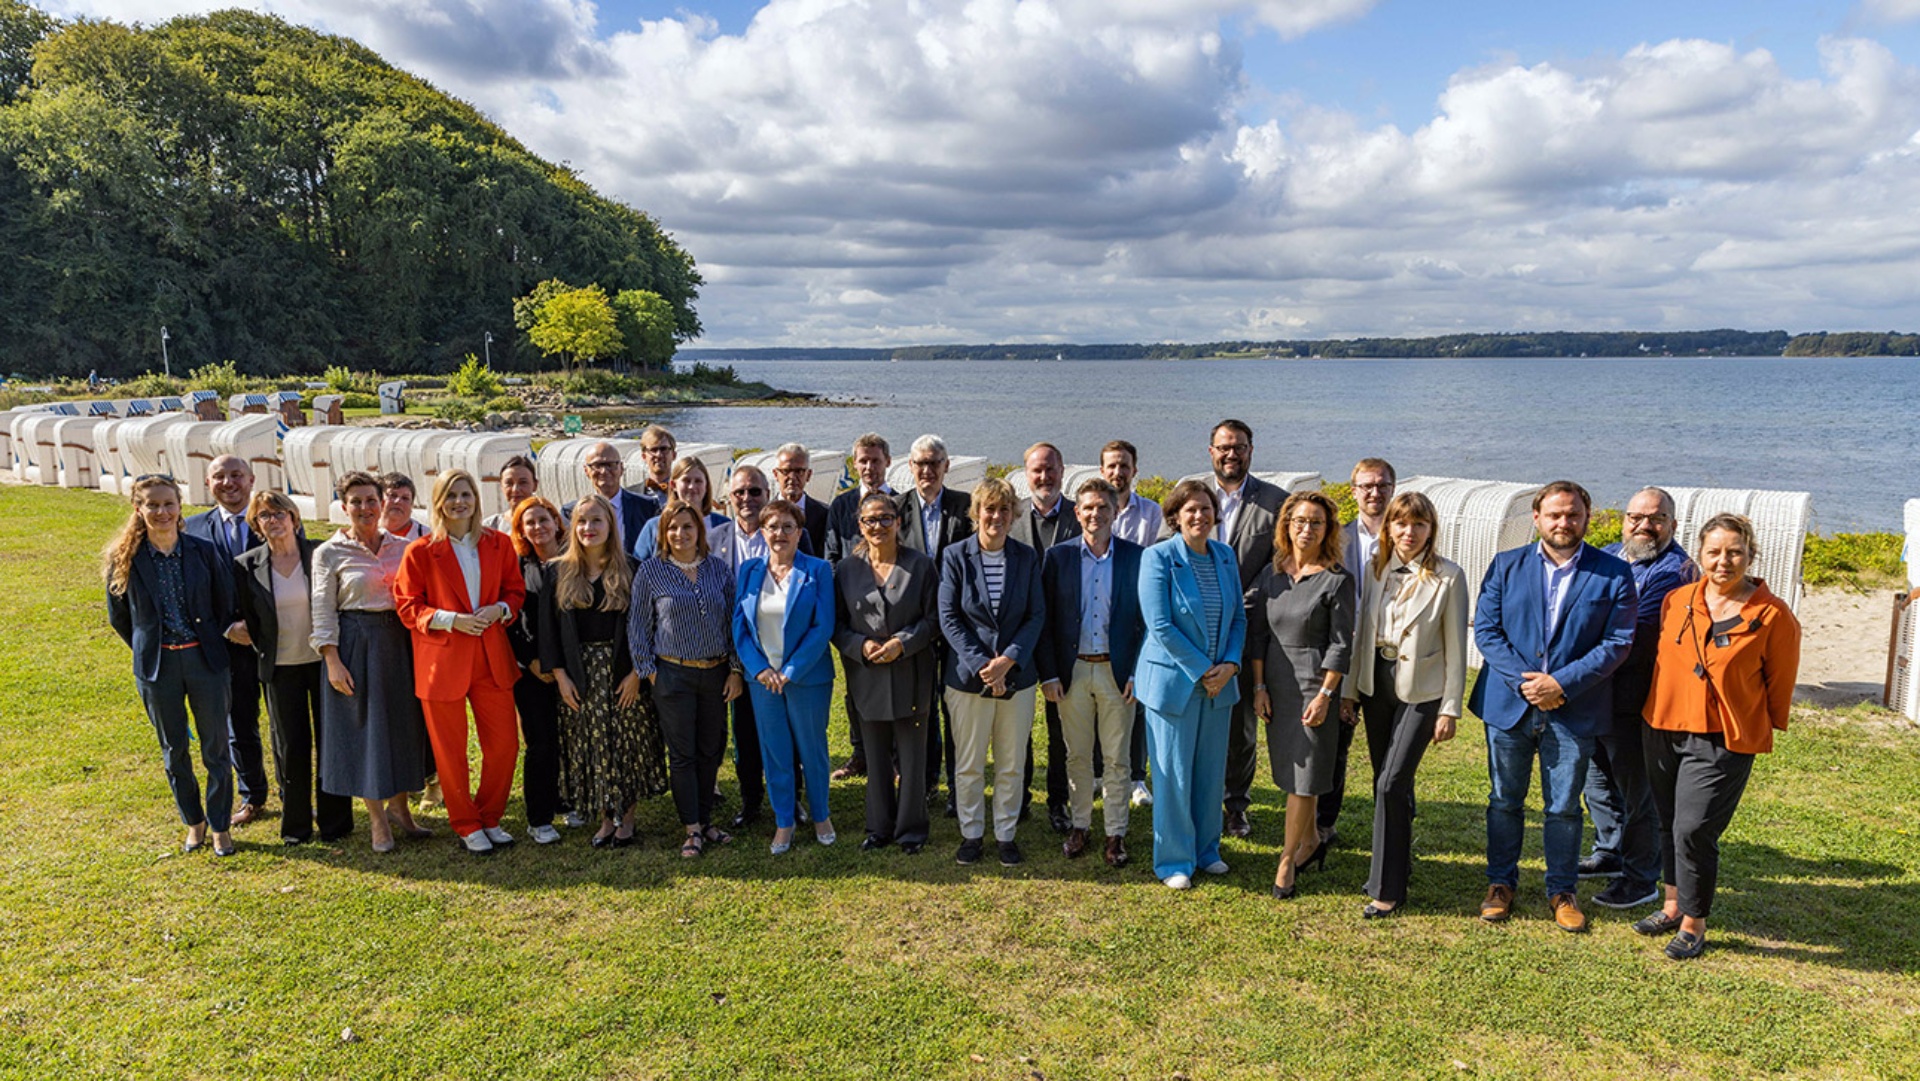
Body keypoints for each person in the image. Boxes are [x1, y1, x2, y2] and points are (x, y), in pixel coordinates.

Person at [1470, 480, 1638, 932]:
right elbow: (1487, 631)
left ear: (1587, 518)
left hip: (1574, 707)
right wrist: (1528, 685)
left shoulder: (1612, 572)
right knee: (1504, 800)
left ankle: (1562, 890)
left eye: (1573, 515)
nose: (1564, 522)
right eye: (1555, 514)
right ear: (1537, 517)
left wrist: (1560, 683)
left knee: (1563, 806)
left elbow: (1618, 641)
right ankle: (1500, 884)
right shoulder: (1506, 565)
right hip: (1510, 705)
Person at [1637, 513, 1799, 959]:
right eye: (1714, 552)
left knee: (1695, 829)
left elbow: (1779, 683)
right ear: (1700, 554)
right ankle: (1671, 904)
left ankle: (1694, 922)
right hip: (1663, 725)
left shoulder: (1772, 615)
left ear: (1750, 555)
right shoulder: (1677, 600)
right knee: (1668, 820)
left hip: (1723, 737)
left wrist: (1756, 724)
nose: (1723, 561)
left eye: (1734, 552)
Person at [1343, 491, 1468, 918]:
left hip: (1423, 690)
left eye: (1418, 524)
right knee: (1387, 780)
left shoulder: (1449, 576)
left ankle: (1386, 886)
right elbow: (1362, 632)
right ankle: (1399, 864)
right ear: (1388, 527)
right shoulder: (1374, 569)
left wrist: (1450, 707)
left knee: (1391, 783)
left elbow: (1456, 647)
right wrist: (1349, 691)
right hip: (1376, 682)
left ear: (1431, 530)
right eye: (1400, 523)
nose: (1408, 532)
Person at [394, 469, 526, 854]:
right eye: (451, 495)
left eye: (466, 494)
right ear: (438, 502)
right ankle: (466, 822)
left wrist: (500, 609)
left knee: (504, 746)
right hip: (442, 662)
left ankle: (489, 815)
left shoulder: (500, 545)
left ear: (476, 498)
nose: (459, 502)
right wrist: (452, 620)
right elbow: (407, 606)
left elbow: (515, 592)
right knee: (450, 752)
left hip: (491, 658)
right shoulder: (419, 551)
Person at [104, 474, 237, 856]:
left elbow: (224, 602)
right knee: (174, 748)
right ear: (139, 509)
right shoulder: (125, 558)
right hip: (157, 667)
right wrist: (150, 646)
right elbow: (120, 618)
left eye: (168, 504)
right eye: (152, 505)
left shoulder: (202, 551)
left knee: (215, 748)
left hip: (205, 661)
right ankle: (193, 823)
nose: (161, 511)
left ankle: (220, 826)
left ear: (179, 506)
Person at [1584, 487, 1698, 910]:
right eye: (1636, 517)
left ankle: (1640, 877)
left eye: (1656, 518)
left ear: (1672, 523)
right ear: (1623, 518)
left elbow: (1636, 634)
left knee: (1638, 791)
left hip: (1637, 699)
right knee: (1597, 779)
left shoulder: (1675, 572)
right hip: (1596, 694)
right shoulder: (1611, 554)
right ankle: (1610, 853)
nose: (1644, 526)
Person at [1134, 479, 1245, 889]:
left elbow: (1239, 618)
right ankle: (1173, 860)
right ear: (1175, 517)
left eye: (1205, 508)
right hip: (1175, 685)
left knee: (1209, 773)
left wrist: (1230, 665)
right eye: (1190, 509)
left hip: (1220, 685)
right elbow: (1160, 625)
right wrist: (1204, 670)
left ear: (1216, 514)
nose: (1199, 516)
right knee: (1174, 774)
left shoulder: (1225, 556)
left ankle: (1206, 850)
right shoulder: (1158, 558)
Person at [312, 471, 429, 853]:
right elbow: (323, 610)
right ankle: (378, 820)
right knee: (366, 732)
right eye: (356, 501)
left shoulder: (405, 546)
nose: (365, 508)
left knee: (401, 726)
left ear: (383, 503)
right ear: (344, 507)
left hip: (400, 642)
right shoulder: (329, 552)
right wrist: (332, 660)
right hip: (355, 644)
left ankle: (401, 810)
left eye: (371, 500)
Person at [544, 494, 668, 849]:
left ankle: (626, 818)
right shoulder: (558, 571)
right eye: (582, 521)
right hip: (579, 674)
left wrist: (636, 673)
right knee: (593, 745)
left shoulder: (631, 567)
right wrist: (561, 676)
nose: (589, 528)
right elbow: (550, 631)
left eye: (597, 520)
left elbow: (646, 625)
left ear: (610, 525)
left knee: (625, 743)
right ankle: (604, 818)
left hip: (622, 671)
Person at [1247, 491, 1354, 900]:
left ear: (1328, 530)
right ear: (1286, 526)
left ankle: (1287, 860)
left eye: (1316, 522)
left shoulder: (1338, 579)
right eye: (1299, 521)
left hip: (1315, 686)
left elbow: (1340, 645)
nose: (1306, 529)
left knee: (1304, 781)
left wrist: (1327, 694)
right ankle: (1311, 841)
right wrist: (1259, 687)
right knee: (1291, 774)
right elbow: (1258, 634)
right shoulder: (1271, 574)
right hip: (1276, 683)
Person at [233, 490, 352, 846]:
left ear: (294, 518)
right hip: (280, 667)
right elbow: (248, 617)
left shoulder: (318, 553)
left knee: (330, 743)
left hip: (323, 663)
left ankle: (336, 823)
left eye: (280, 513)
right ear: (256, 524)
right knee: (291, 746)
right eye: (265, 515)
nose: (274, 520)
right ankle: (297, 826)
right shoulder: (246, 565)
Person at [939, 477, 1046, 867]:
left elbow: (1036, 615)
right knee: (967, 764)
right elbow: (948, 617)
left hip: (1016, 679)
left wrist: (1008, 661)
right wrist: (984, 666)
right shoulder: (955, 556)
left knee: (1011, 762)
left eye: (1004, 509)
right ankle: (971, 833)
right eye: (989, 508)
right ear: (976, 513)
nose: (996, 516)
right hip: (968, 680)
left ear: (1014, 514)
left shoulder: (1026, 557)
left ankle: (1005, 834)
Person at [1038, 477, 1145, 867]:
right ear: (1076, 512)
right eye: (1088, 507)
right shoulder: (1058, 557)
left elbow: (1145, 622)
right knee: (1077, 755)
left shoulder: (1136, 556)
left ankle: (1116, 833)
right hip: (1073, 672)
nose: (1095, 514)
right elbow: (1044, 621)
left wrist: (1137, 672)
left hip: (1119, 674)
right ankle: (1080, 824)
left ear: (1116, 511)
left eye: (1103, 507)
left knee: (1118, 759)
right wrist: (1049, 674)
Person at [630, 500, 746, 858]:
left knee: (710, 750)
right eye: (673, 528)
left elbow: (733, 622)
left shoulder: (718, 570)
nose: (680, 534)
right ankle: (691, 828)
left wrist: (736, 670)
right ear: (663, 533)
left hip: (715, 674)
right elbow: (638, 627)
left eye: (688, 527)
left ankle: (707, 821)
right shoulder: (651, 571)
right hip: (672, 674)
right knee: (682, 755)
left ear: (700, 531)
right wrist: (650, 673)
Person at [833, 491, 939, 853]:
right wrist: (859, 646)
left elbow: (934, 620)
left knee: (912, 758)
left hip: (911, 673)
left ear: (898, 522)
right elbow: (837, 624)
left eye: (885, 519)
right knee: (875, 757)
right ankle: (879, 828)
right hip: (868, 676)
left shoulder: (921, 565)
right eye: (870, 520)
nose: (878, 526)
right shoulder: (847, 570)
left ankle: (911, 831)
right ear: (860, 526)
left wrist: (903, 642)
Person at [734, 500, 839, 854]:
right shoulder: (748, 571)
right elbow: (740, 628)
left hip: (807, 678)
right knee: (775, 752)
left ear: (799, 532)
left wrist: (790, 671)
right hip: (762, 682)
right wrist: (761, 669)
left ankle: (822, 815)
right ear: (762, 532)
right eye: (773, 527)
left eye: (788, 527)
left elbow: (822, 625)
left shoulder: (818, 570)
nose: (780, 533)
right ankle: (784, 821)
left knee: (813, 750)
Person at [1202, 420, 1288, 840]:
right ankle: (1198, 797)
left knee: (1240, 726)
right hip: (1197, 629)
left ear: (1251, 450)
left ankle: (1236, 804)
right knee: (1196, 717)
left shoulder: (1275, 502)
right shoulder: (1193, 496)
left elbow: (1281, 564)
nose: (1230, 454)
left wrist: (1241, 601)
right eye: (1223, 447)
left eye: (1238, 447)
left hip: (1250, 629)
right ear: (1211, 451)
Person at [180, 454, 269, 824]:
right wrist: (227, 628)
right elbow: (191, 592)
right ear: (207, 481)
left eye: (237, 476)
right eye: (220, 476)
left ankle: (295, 795)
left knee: (286, 723)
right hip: (224, 643)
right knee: (238, 720)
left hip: (275, 642)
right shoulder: (193, 529)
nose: (229, 483)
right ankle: (253, 797)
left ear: (251, 480)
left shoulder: (274, 520)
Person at [1318, 458, 1395, 853]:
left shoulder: (1408, 537)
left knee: (1392, 752)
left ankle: (1394, 829)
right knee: (1335, 744)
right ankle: (1324, 825)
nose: (1374, 493)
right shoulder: (1336, 540)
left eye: (1382, 485)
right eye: (1366, 486)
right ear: (1353, 491)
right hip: (1344, 655)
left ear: (1392, 489)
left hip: (1391, 657)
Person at [896, 434, 975, 810]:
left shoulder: (966, 507)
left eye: (935, 463)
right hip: (917, 624)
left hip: (960, 624)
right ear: (910, 467)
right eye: (920, 464)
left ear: (946, 466)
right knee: (921, 707)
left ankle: (959, 789)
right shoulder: (897, 509)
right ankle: (926, 782)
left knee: (956, 707)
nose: (927, 470)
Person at [708, 464, 780, 828]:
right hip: (732, 654)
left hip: (779, 651)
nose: (748, 499)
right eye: (740, 492)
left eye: (755, 491)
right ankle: (751, 802)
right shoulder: (713, 538)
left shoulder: (785, 533)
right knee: (745, 732)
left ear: (768, 495)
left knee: (786, 731)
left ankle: (791, 799)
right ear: (728, 498)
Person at [1011, 441, 1077, 833]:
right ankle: (1018, 798)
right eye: (1036, 470)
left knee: (1060, 729)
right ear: (1025, 473)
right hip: (1019, 636)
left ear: (1062, 470)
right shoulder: (1012, 515)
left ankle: (1058, 802)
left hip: (1063, 637)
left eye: (1050, 469)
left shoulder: (1079, 515)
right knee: (1016, 726)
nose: (1044, 477)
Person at [826, 433, 894, 782]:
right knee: (857, 687)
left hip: (896, 609)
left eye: (875, 460)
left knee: (896, 683)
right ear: (855, 465)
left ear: (888, 462)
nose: (869, 467)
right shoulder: (841, 506)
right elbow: (832, 556)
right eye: (863, 461)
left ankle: (895, 756)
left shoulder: (901, 503)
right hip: (854, 611)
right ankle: (860, 752)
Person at [1100, 439, 1160, 809]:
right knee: (1097, 695)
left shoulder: (1151, 514)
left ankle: (1137, 777)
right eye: (1111, 466)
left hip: (1137, 615)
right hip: (1097, 614)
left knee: (1135, 697)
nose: (1118, 473)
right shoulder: (1089, 508)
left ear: (1134, 470)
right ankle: (1096, 770)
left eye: (1124, 466)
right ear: (1101, 470)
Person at [508, 494, 567, 844]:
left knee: (570, 739)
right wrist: (531, 659)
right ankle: (539, 817)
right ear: (520, 529)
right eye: (529, 522)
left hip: (570, 666)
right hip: (530, 671)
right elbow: (512, 620)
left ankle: (568, 799)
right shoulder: (516, 566)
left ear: (556, 523)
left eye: (544, 520)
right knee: (541, 742)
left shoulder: (573, 561)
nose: (538, 527)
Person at [564, 442, 656, 556]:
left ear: (621, 468)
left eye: (610, 464)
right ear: (586, 471)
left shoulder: (647, 507)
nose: (604, 471)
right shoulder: (571, 512)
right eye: (597, 465)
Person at [631, 455, 728, 560]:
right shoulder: (654, 527)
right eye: (686, 481)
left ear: (706, 486)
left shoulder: (724, 526)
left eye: (698, 481)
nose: (692, 486)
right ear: (673, 485)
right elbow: (638, 568)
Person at [771, 443, 831, 556]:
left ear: (808, 475)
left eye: (799, 471)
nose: (792, 477)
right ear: (775, 474)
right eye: (786, 471)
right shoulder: (763, 514)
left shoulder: (825, 514)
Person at [481, 454, 539, 532]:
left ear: (535, 485)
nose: (515, 489)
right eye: (509, 483)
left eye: (523, 482)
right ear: (501, 486)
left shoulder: (547, 525)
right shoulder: (491, 526)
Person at [379, 471, 429, 543]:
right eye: (393, 495)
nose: (398, 501)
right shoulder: (365, 532)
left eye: (405, 498)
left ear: (411, 505)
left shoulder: (427, 537)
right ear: (379, 499)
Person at [637, 425, 677, 509]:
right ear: (644, 456)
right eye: (653, 450)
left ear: (674, 455)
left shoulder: (685, 492)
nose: (659, 455)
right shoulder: (631, 494)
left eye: (664, 449)